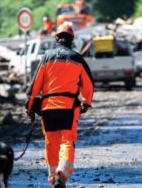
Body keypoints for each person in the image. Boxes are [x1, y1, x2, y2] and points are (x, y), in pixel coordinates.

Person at [25, 22, 94, 188]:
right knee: (66, 142)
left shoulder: (46, 57)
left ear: (56, 38)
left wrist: (30, 106)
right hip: (69, 108)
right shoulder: (77, 58)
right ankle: (61, 174)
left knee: (51, 142)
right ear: (71, 40)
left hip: (48, 108)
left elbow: (35, 86)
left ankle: (53, 177)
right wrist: (86, 102)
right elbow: (88, 85)